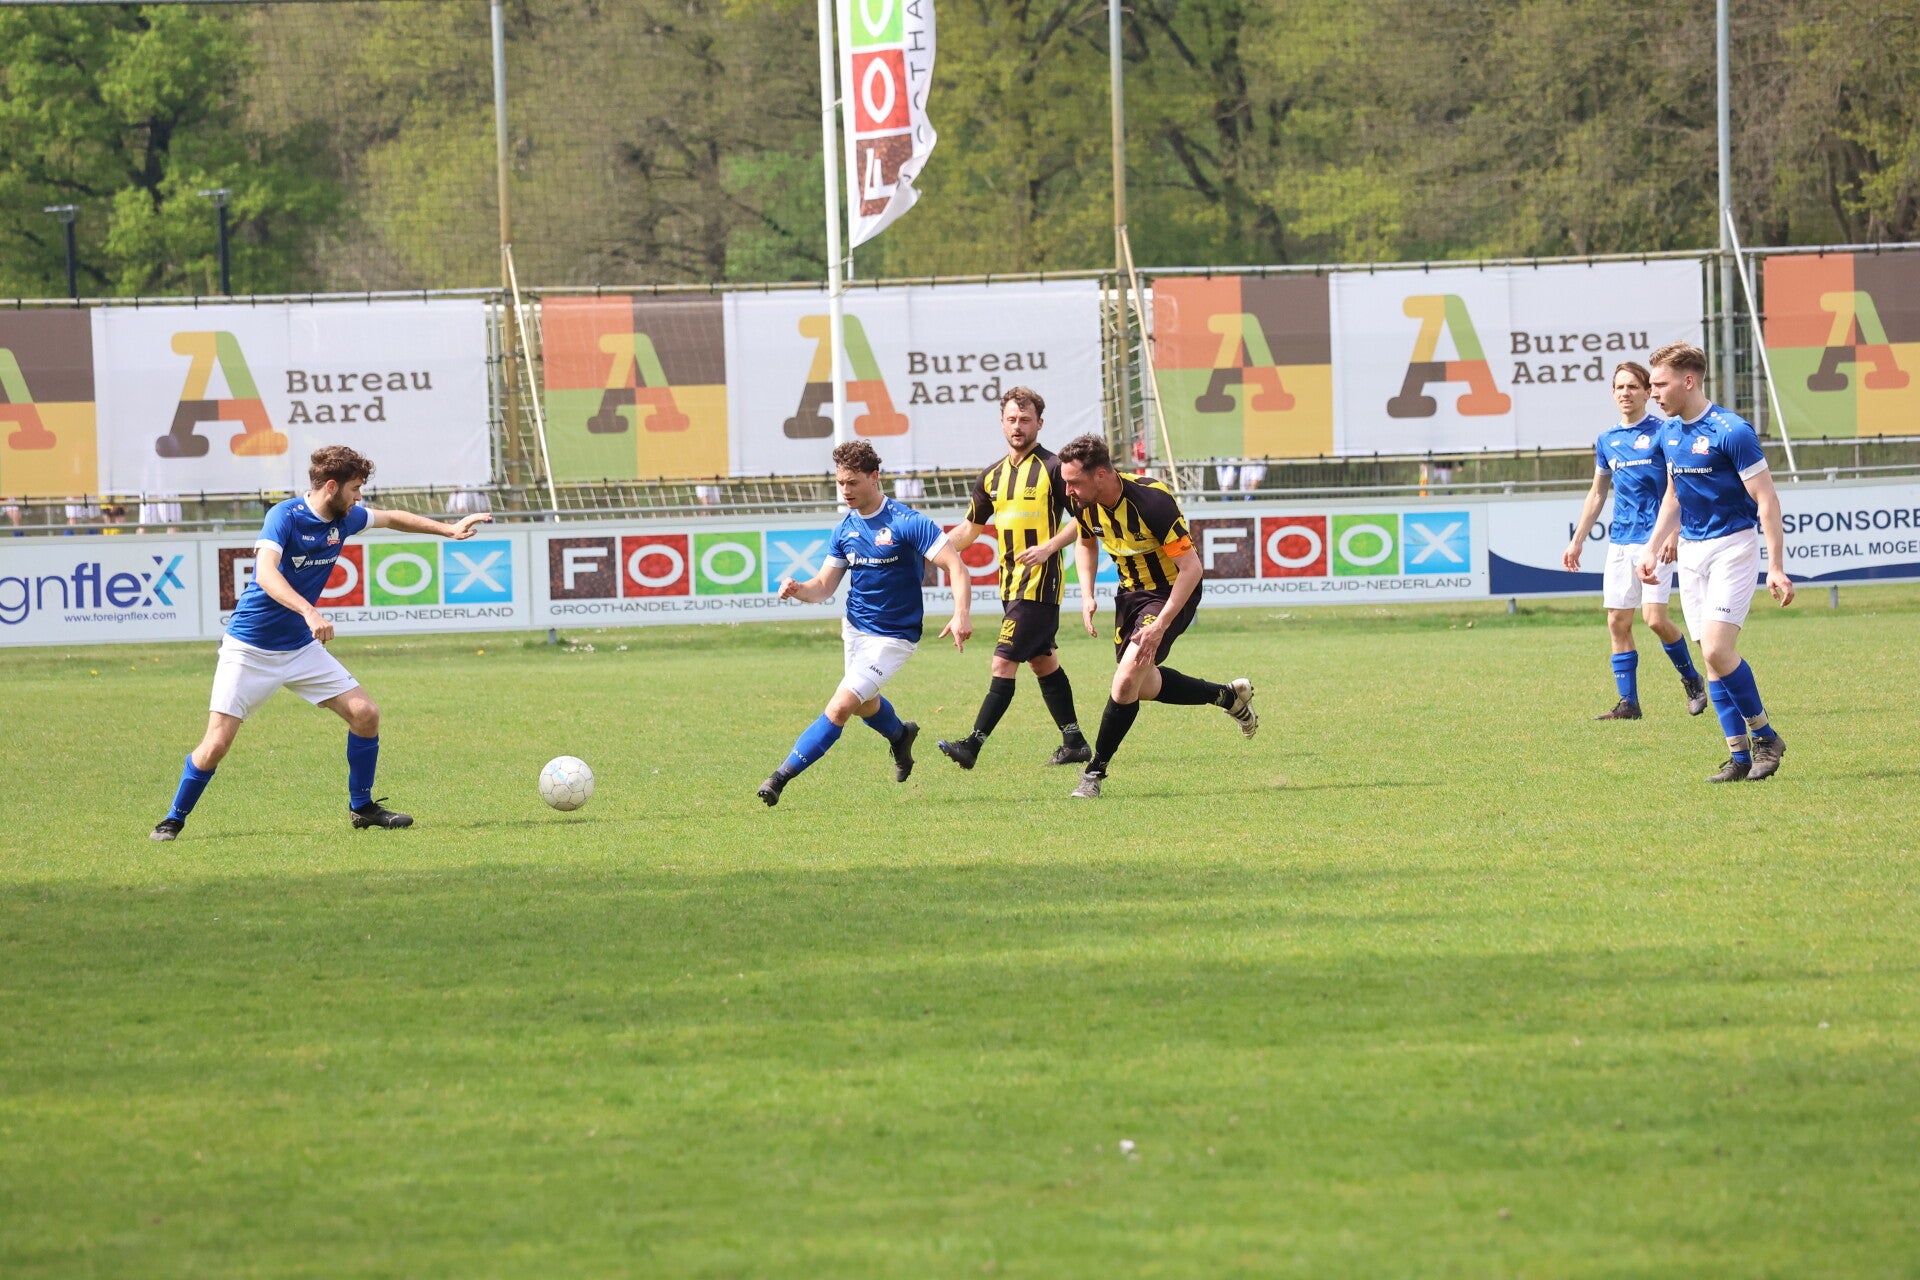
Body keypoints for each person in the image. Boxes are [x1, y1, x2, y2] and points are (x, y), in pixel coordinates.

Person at [149, 446, 493, 841]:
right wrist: (309, 612)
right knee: (216, 744)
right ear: (331, 486)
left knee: (365, 714)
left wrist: (448, 530)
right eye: (355, 489)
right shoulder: (285, 516)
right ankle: (172, 819)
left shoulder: (345, 518)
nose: (359, 498)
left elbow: (392, 517)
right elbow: (266, 575)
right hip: (250, 649)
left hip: (299, 648)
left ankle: (362, 808)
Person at [757, 440, 973, 807]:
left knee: (841, 707)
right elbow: (823, 587)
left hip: (894, 637)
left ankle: (779, 778)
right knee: (864, 704)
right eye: (840, 483)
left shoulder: (907, 522)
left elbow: (956, 566)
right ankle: (900, 735)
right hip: (856, 630)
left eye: (853, 482)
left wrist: (960, 613)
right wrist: (798, 589)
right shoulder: (845, 530)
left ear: (874, 477)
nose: (845, 491)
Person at [1041, 433, 1256, 799]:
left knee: (1126, 678)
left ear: (1101, 475)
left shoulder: (1152, 500)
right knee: (1141, 685)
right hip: (1131, 597)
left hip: (1171, 592)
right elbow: (1085, 542)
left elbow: (1191, 568)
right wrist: (1088, 594)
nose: (1068, 490)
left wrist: (1161, 624)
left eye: (1074, 482)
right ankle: (1226, 697)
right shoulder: (1082, 501)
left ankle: (1094, 773)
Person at [1636, 343, 1795, 782]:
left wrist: (1776, 566)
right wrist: (1652, 546)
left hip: (1733, 547)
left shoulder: (1732, 431)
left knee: (1717, 650)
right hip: (1691, 551)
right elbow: (1673, 496)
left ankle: (1766, 737)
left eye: (1660, 384)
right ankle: (1739, 757)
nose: (1653, 392)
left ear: (1688, 381)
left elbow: (1767, 499)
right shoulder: (1669, 433)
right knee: (1711, 661)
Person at [935, 386, 1091, 771]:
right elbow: (970, 530)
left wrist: (1048, 548)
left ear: (1040, 423)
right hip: (1010, 584)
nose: (1017, 426)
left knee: (1002, 664)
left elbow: (1085, 519)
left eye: (1025, 419)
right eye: (1011, 419)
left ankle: (972, 745)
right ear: (1002, 423)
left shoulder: (1054, 469)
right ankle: (1074, 741)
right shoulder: (991, 476)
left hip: (1040, 584)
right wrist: (930, 549)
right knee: (1042, 662)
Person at [1561, 361, 1707, 721]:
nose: (1625, 393)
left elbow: (1681, 485)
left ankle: (1692, 679)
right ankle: (1628, 703)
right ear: (1613, 394)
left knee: (1654, 619)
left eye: (1632, 386)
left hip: (1655, 540)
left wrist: (1673, 533)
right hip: (1621, 541)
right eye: (1619, 387)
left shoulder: (1665, 432)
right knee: (1617, 622)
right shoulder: (1607, 440)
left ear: (1646, 392)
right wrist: (1577, 540)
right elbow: (1597, 494)